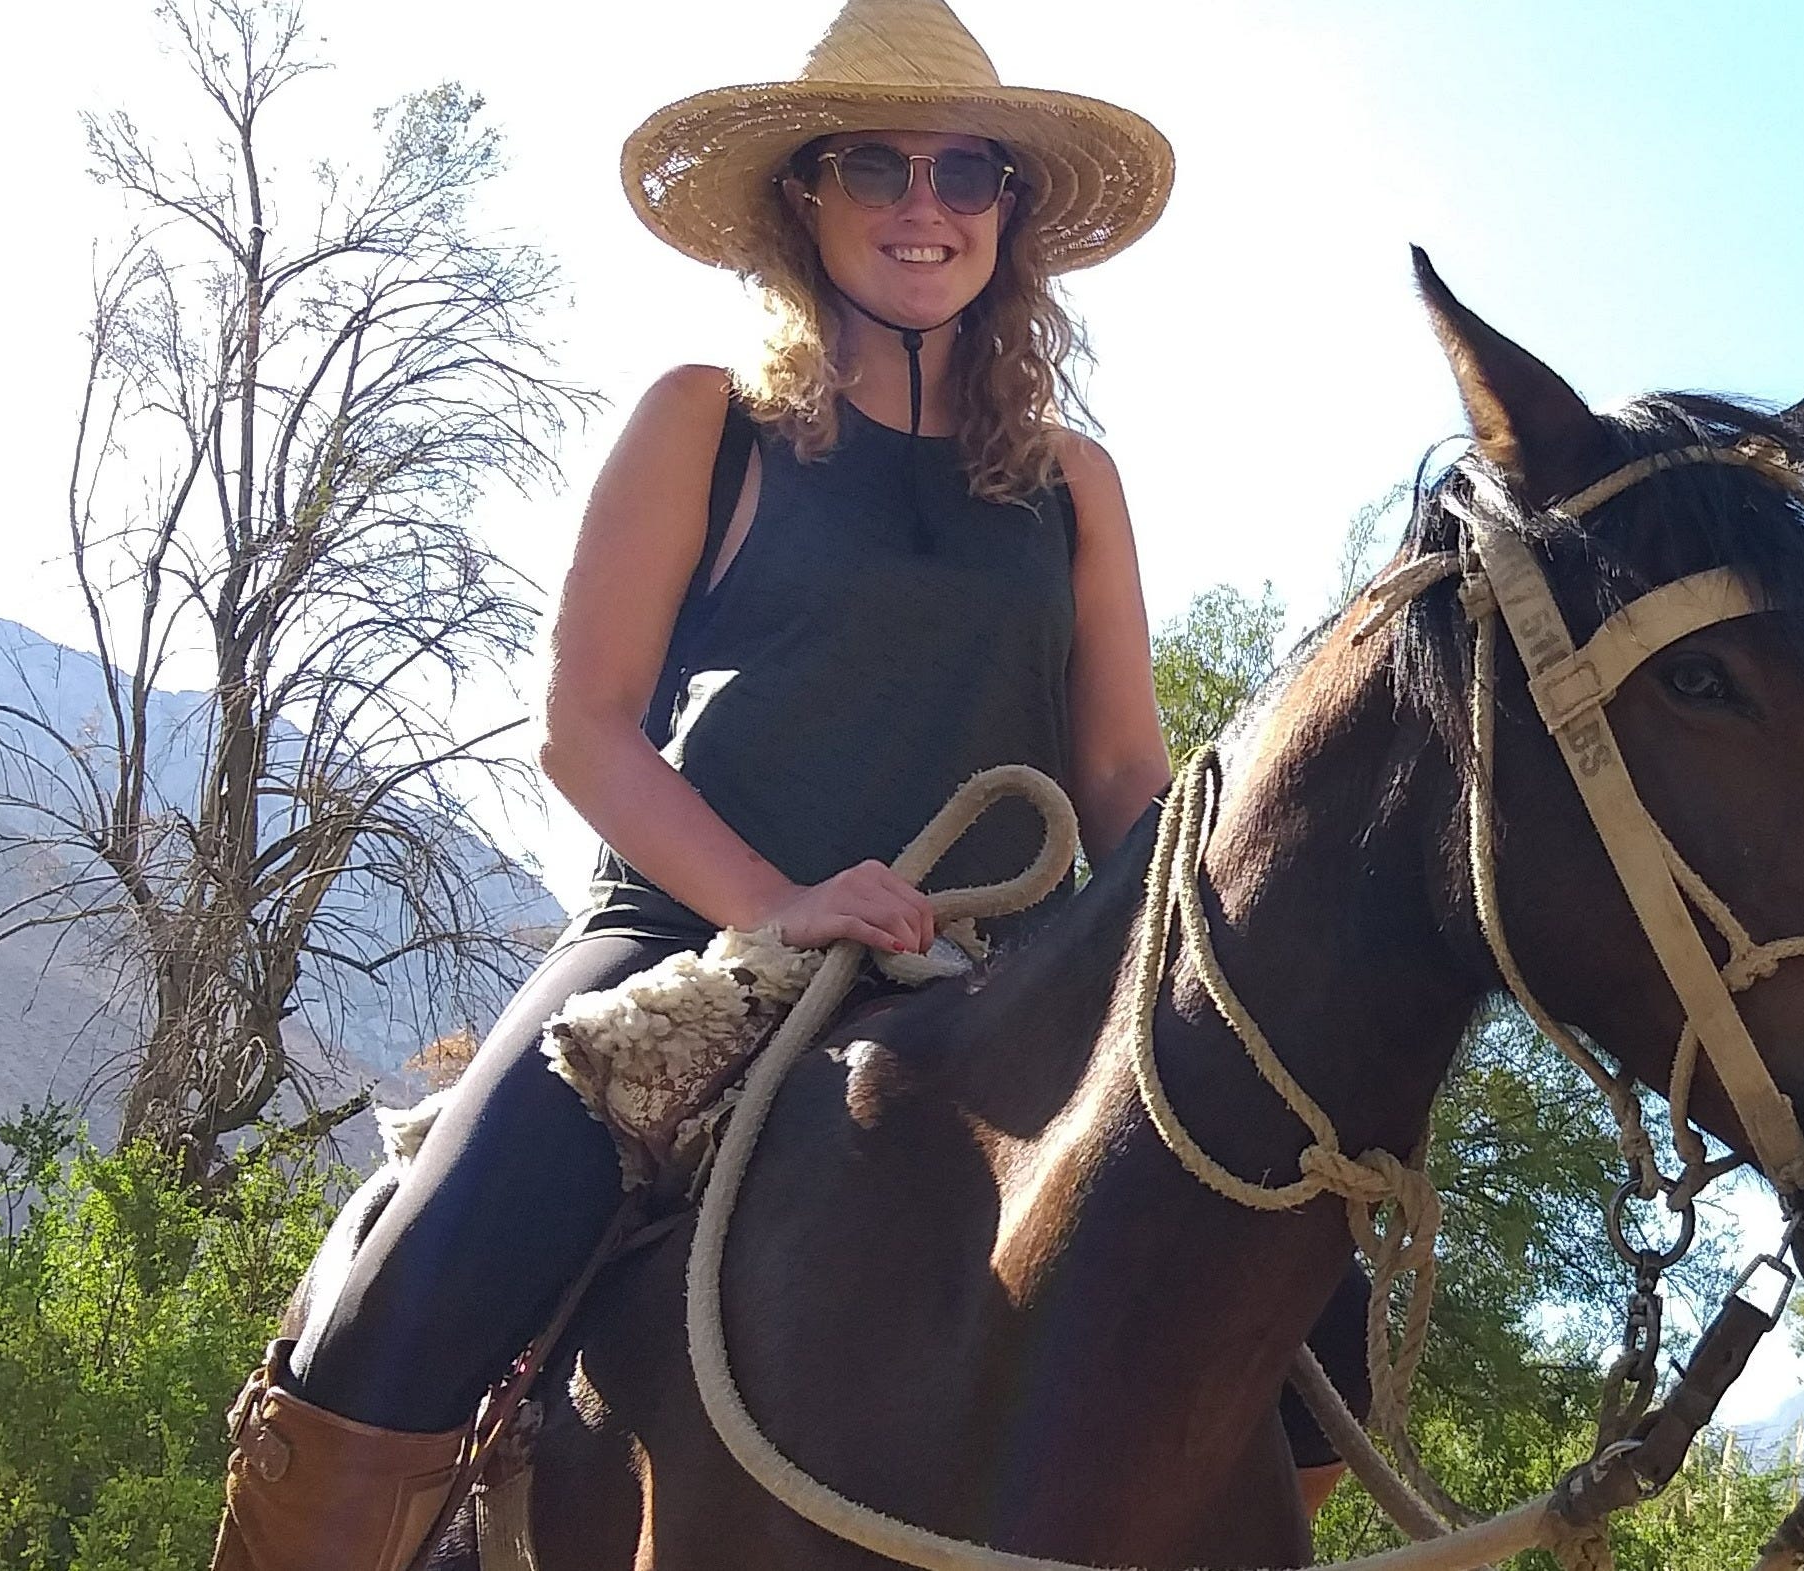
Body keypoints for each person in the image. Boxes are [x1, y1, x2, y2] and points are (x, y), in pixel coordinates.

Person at [204, 3, 1228, 1564]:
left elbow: (1116, 770)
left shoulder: (1074, 484)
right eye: (873, 165)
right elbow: (587, 726)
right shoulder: (710, 421)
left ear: (1011, 217)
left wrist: (1202, 977)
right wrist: (781, 907)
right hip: (687, 940)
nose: (924, 207)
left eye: (968, 173)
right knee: (418, 1284)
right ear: (803, 200)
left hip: (985, 971)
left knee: (1296, 1310)